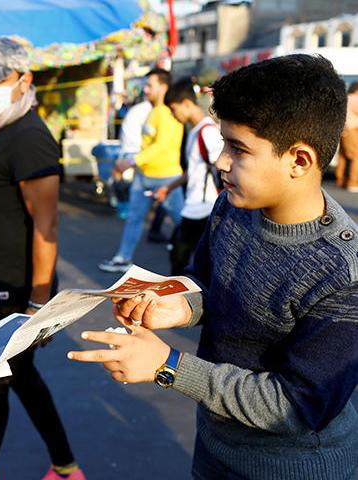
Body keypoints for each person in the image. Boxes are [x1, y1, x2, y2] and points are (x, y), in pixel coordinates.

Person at [70, 55, 358, 478]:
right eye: (224, 142)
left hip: (295, 467)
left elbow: (297, 406)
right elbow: (207, 277)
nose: (221, 161)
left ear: (299, 160)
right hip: (214, 448)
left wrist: (168, 366)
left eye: (238, 148)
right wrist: (180, 304)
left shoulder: (342, 274)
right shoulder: (233, 205)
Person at [0, 37, 84, 480]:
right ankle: (65, 469)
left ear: (24, 80)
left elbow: (46, 226)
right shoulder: (2, 129)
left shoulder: (30, 139)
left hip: (18, 291)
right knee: (20, 377)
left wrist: (40, 303)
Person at [98, 68, 184, 273]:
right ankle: (122, 258)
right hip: (144, 176)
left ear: (163, 87)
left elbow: (161, 146)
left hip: (167, 178)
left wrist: (132, 161)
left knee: (183, 222)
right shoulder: (152, 111)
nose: (145, 89)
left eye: (149, 85)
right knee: (134, 219)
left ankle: (206, 261)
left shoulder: (167, 113)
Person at [155, 78, 223, 275]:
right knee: (182, 259)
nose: (174, 116)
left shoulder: (207, 132)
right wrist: (169, 187)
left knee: (184, 261)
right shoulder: (195, 132)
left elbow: (219, 167)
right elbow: (194, 170)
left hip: (204, 209)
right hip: (193, 206)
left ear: (186, 104)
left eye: (174, 109)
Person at [335, 81, 358, 192]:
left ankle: (341, 180)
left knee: (343, 156)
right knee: (355, 157)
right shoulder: (355, 99)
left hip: (343, 132)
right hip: (353, 131)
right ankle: (353, 183)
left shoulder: (345, 99)